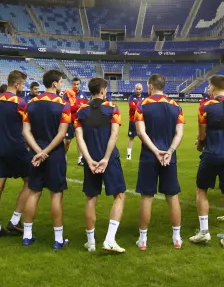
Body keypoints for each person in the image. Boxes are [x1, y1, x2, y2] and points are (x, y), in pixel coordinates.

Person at [133, 73, 185, 250]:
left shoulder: (142, 105)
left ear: (150, 86)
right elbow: (179, 133)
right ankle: (177, 238)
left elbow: (140, 132)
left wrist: (155, 151)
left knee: (147, 197)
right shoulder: (176, 106)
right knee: (172, 196)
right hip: (169, 156)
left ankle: (143, 240)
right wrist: (169, 151)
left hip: (149, 155)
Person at [21, 69, 72, 249]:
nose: (62, 85)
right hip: (55, 154)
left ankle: (27, 236)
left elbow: (25, 131)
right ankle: (58, 239)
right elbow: (62, 134)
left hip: (35, 154)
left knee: (34, 192)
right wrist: (46, 152)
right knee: (56, 195)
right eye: (61, 82)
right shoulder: (63, 104)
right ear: (55, 83)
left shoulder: (31, 103)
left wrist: (38, 151)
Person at [74, 77, 126, 254]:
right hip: (109, 159)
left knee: (91, 198)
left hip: (91, 160)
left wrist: (88, 160)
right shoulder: (112, 108)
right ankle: (110, 240)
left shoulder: (81, 110)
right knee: (119, 196)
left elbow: (79, 138)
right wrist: (105, 158)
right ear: (103, 90)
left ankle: (91, 243)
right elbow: (114, 136)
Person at [191, 75, 224, 249]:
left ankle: (204, 232)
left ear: (212, 88)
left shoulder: (205, 106)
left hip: (211, 154)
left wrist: (200, 144)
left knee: (201, 190)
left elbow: (202, 135)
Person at [0, 70, 32, 237]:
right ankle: (15, 220)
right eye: (23, 84)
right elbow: (26, 127)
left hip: (0, 147)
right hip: (17, 148)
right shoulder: (21, 103)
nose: (23, 87)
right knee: (30, 181)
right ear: (17, 84)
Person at [125, 82, 144, 161]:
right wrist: (141, 107)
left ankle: (144, 154)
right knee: (131, 137)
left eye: (139, 89)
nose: (138, 90)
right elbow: (133, 107)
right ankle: (129, 154)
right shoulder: (131, 97)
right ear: (135, 89)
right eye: (137, 89)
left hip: (142, 121)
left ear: (142, 89)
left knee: (143, 137)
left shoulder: (144, 98)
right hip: (133, 121)